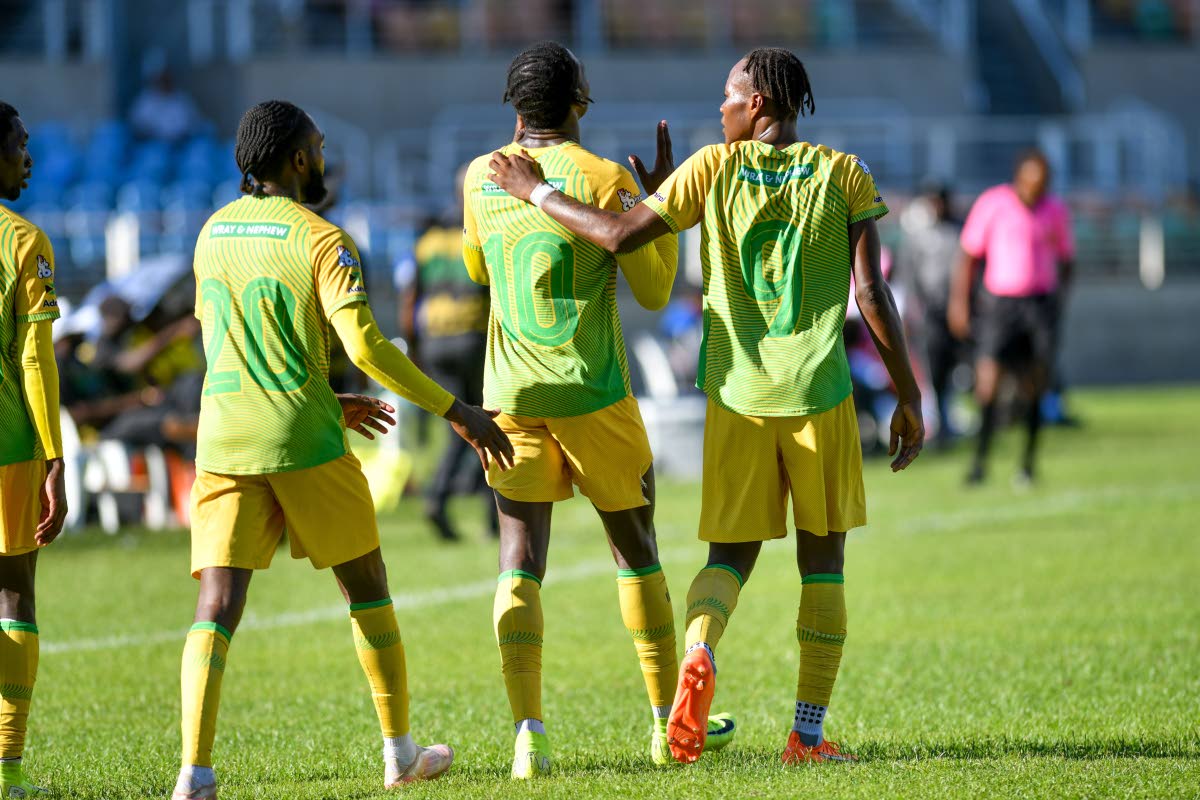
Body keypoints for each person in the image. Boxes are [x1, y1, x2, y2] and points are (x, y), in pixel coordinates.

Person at [488, 47, 924, 766]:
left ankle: (699, 652)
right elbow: (871, 294)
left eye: (728, 94)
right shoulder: (845, 173)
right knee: (824, 566)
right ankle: (807, 736)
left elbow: (620, 235)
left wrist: (536, 193)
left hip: (737, 397)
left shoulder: (709, 168)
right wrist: (907, 395)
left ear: (757, 104)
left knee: (729, 558)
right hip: (818, 394)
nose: (718, 106)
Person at [172, 100, 514, 800]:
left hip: (223, 438)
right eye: (319, 147)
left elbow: (231, 346)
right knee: (367, 588)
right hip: (301, 435)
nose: (323, 159)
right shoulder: (324, 239)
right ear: (298, 160)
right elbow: (366, 347)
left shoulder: (210, 234)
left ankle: (194, 776)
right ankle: (399, 754)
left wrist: (328, 398)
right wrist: (459, 410)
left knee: (217, 603)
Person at [462, 42, 731, 778]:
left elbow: (477, 268)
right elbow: (651, 290)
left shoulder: (477, 177)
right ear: (581, 101)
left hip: (510, 393)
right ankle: (664, 726)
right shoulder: (607, 178)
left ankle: (529, 738)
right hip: (591, 388)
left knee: (519, 560)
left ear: (514, 107)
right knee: (635, 547)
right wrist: (661, 207)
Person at [0, 102, 69, 798]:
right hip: (9, 446)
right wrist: (55, 458)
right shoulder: (23, 241)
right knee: (13, 591)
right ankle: (6, 770)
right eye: (20, 145)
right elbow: (34, 359)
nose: (29, 157)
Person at [948, 149, 1074, 486]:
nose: (1038, 188)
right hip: (1001, 305)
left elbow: (1066, 258)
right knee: (988, 383)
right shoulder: (994, 204)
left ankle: (1028, 464)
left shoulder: (1055, 210)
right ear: (1020, 177)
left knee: (1036, 383)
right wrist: (959, 303)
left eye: (1044, 183)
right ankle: (979, 462)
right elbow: (968, 257)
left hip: (1039, 304)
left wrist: (1058, 303)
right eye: (1034, 181)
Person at [397, 166, 495, 541]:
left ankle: (438, 496)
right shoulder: (483, 233)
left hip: (435, 341)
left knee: (461, 427)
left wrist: (416, 350)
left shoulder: (427, 241)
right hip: (473, 337)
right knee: (491, 423)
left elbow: (410, 299)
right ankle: (492, 516)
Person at [896, 181, 963, 441]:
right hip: (929, 312)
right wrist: (913, 309)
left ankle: (951, 416)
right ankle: (937, 420)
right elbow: (908, 274)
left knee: (955, 368)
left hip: (955, 308)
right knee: (931, 366)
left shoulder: (958, 231)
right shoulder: (917, 236)